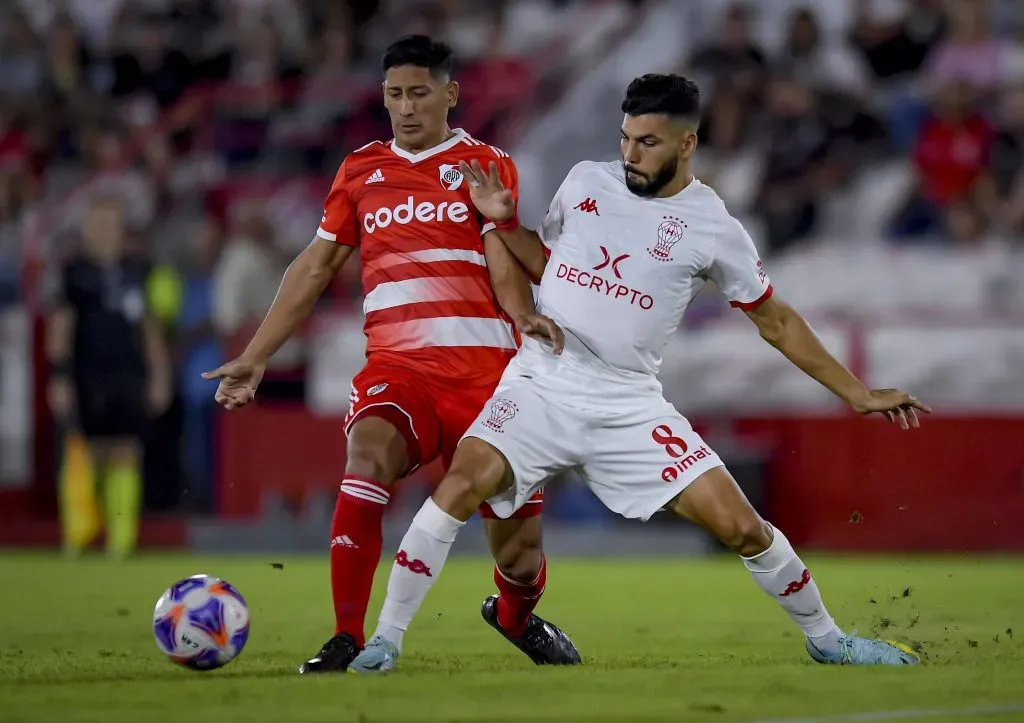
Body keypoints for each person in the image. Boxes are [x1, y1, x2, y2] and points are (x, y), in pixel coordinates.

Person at [349, 74, 931, 674]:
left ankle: (829, 641)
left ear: (687, 143)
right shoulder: (585, 182)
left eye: (647, 142)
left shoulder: (712, 225)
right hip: (543, 382)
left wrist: (856, 393)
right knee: (459, 488)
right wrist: (502, 222)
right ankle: (385, 642)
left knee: (742, 527)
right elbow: (551, 266)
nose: (629, 154)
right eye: (625, 138)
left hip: (628, 403)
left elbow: (776, 322)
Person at [202, 35, 580, 672]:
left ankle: (515, 615)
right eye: (394, 95)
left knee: (518, 555)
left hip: (488, 379)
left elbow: (500, 256)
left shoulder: (485, 165)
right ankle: (346, 636)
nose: (405, 107)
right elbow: (317, 265)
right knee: (367, 455)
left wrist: (522, 316)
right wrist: (257, 353)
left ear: (450, 94)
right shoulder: (359, 170)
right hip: (400, 370)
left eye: (419, 93)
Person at [47, 197, 173, 558]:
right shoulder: (74, 272)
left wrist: (159, 374)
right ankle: (79, 535)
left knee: (127, 451)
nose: (105, 233)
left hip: (129, 373)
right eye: (98, 226)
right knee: (84, 450)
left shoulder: (140, 271)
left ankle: (121, 540)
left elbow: (151, 328)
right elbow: (61, 323)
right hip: (87, 373)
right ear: (86, 232)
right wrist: (59, 376)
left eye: (112, 226)